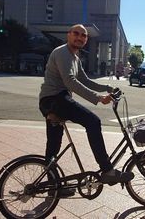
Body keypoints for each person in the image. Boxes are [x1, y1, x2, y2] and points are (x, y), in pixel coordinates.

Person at [39, 24, 134, 189]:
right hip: (54, 99)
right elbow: (70, 81)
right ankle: (107, 170)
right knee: (93, 122)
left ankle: (52, 187)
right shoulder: (62, 53)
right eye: (76, 33)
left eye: (83, 35)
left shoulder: (75, 58)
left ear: (86, 39)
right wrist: (98, 98)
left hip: (54, 101)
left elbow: (85, 81)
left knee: (54, 145)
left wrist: (107, 88)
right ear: (68, 35)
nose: (79, 37)